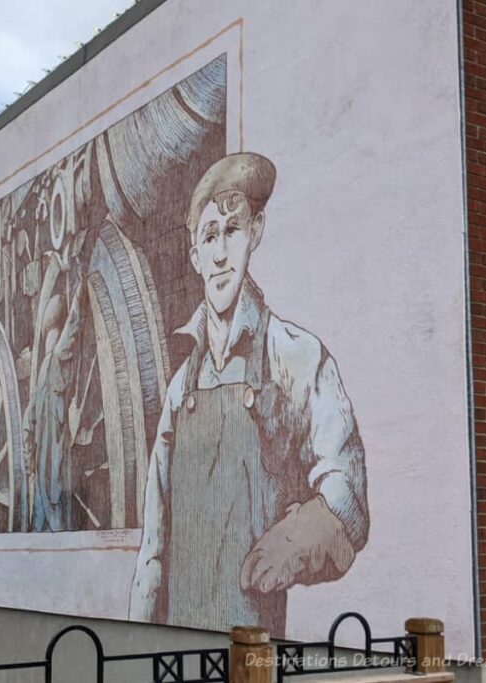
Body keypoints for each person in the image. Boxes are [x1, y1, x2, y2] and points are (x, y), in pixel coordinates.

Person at [128, 153, 369, 636]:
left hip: (254, 656)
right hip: (176, 651)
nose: (220, 254)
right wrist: (136, 638)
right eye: (209, 236)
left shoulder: (297, 359)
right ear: (194, 254)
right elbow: (155, 544)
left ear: (255, 232)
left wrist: (297, 542)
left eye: (232, 230)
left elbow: (348, 497)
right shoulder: (181, 390)